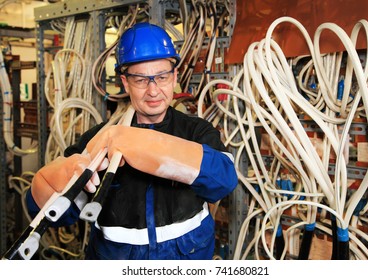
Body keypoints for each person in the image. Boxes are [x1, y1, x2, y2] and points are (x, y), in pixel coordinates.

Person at [26, 22, 238, 260]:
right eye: (140, 80)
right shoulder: (99, 140)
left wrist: (145, 146)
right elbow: (54, 215)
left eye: (162, 77)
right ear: (125, 83)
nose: (153, 90)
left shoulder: (195, 131)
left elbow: (225, 179)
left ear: (174, 76)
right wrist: (47, 182)